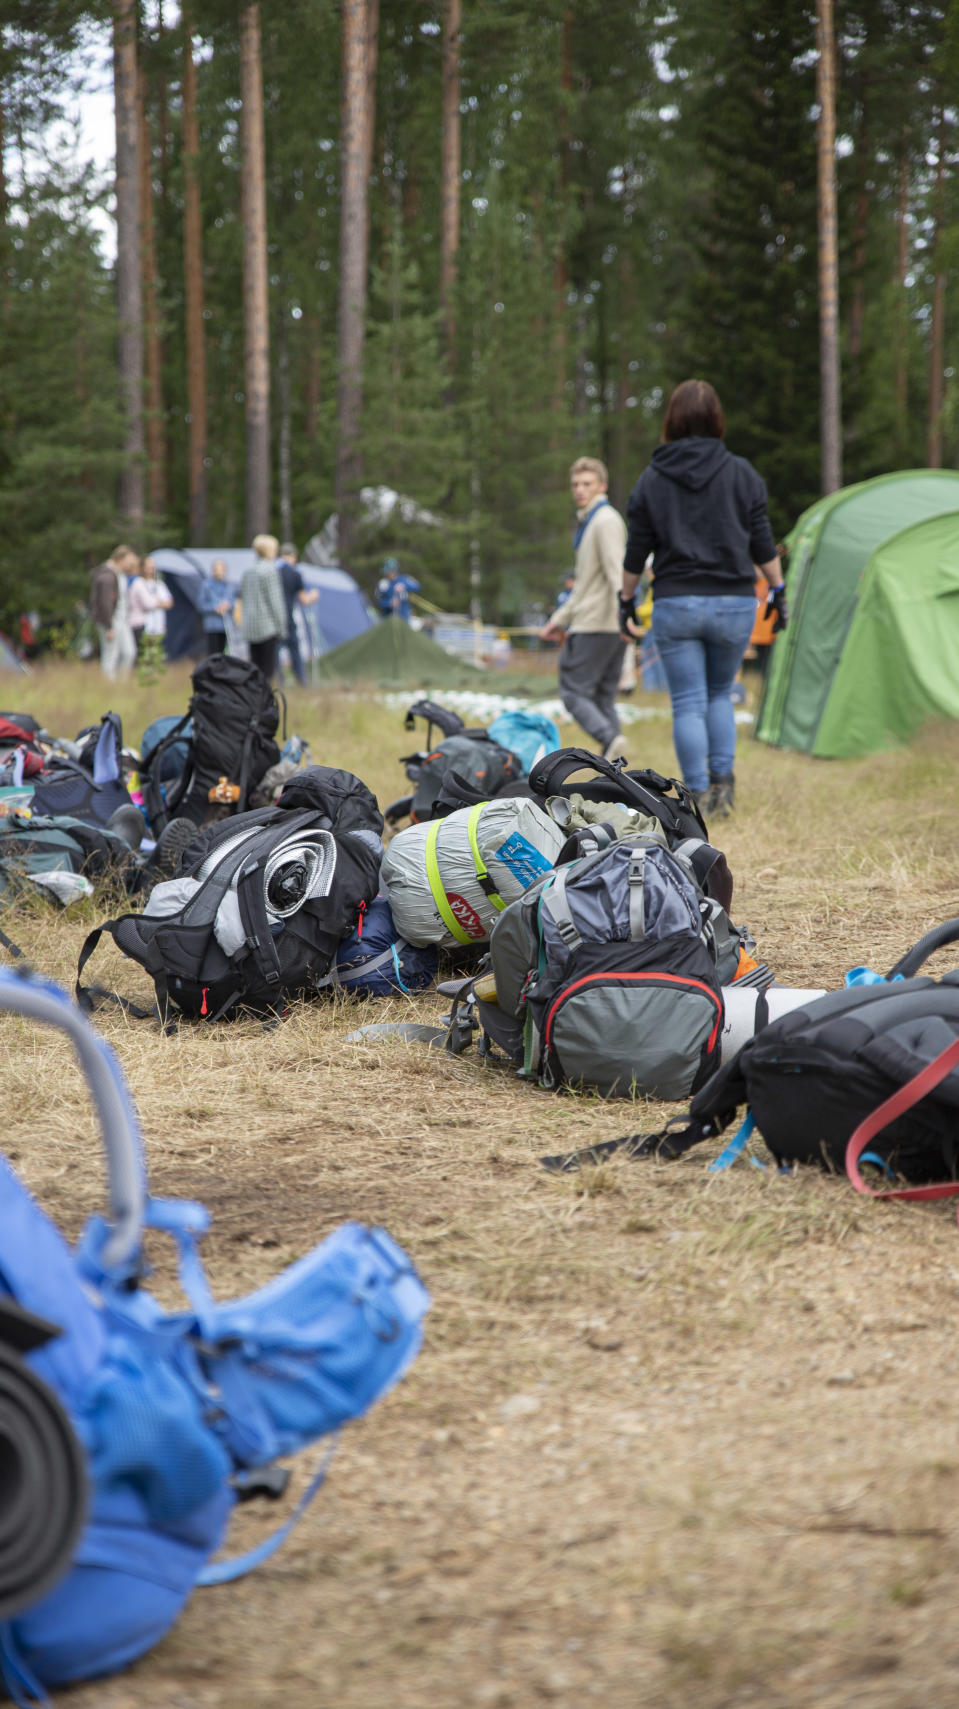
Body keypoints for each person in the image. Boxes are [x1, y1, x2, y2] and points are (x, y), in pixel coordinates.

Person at [620, 379, 788, 817]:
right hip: (734, 603)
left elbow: (636, 552)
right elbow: (763, 543)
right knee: (719, 694)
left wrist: (625, 601)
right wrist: (779, 590)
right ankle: (724, 789)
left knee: (689, 702)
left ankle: (693, 798)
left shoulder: (651, 479)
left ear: (671, 420)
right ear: (717, 419)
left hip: (677, 604)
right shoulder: (742, 473)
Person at [539, 457, 628, 762]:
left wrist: (624, 614)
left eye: (587, 483)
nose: (579, 489)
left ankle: (610, 738)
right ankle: (618, 768)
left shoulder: (604, 522)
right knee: (603, 697)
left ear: (602, 486)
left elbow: (617, 572)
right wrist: (559, 621)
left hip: (597, 624)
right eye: (575, 484)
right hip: (607, 623)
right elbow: (585, 584)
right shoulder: (593, 521)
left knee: (573, 691)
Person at [239, 534, 287, 679]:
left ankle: (254, 699)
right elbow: (275, 602)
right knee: (268, 671)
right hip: (267, 627)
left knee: (255, 669)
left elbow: (243, 598)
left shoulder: (248, 572)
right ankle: (266, 700)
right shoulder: (270, 571)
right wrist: (281, 627)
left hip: (250, 626)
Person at [89, 545, 137, 679]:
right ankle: (108, 685)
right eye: (129, 562)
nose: (130, 565)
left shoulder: (119, 574)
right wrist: (109, 626)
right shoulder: (107, 576)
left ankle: (121, 683)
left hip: (122, 620)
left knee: (129, 652)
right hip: (110, 620)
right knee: (110, 655)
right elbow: (105, 603)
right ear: (121, 559)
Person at [276, 543, 319, 686]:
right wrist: (313, 596)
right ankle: (301, 680)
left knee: (275, 651)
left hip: (273, 618)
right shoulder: (295, 574)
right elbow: (304, 599)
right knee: (294, 649)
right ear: (293, 556)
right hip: (288, 617)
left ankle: (277, 680)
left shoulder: (273, 571)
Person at [127, 555, 172, 655]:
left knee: (156, 653)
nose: (151, 569)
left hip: (158, 624)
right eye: (148, 566)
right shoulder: (139, 583)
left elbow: (169, 603)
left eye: (152, 566)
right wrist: (159, 602)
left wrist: (157, 602)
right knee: (145, 653)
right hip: (143, 624)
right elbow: (148, 604)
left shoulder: (160, 584)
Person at [198, 559, 237, 655]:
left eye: (221, 570)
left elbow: (233, 602)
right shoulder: (206, 585)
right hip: (212, 626)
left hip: (226, 626)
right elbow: (201, 605)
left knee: (225, 652)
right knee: (213, 653)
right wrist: (215, 608)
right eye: (216, 570)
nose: (219, 572)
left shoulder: (229, 586)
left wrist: (228, 606)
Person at [375, 556, 420, 622]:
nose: (390, 574)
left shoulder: (404, 579)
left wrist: (404, 586)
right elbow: (379, 601)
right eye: (388, 572)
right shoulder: (382, 584)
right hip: (388, 618)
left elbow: (417, 586)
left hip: (404, 616)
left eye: (392, 571)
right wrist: (389, 603)